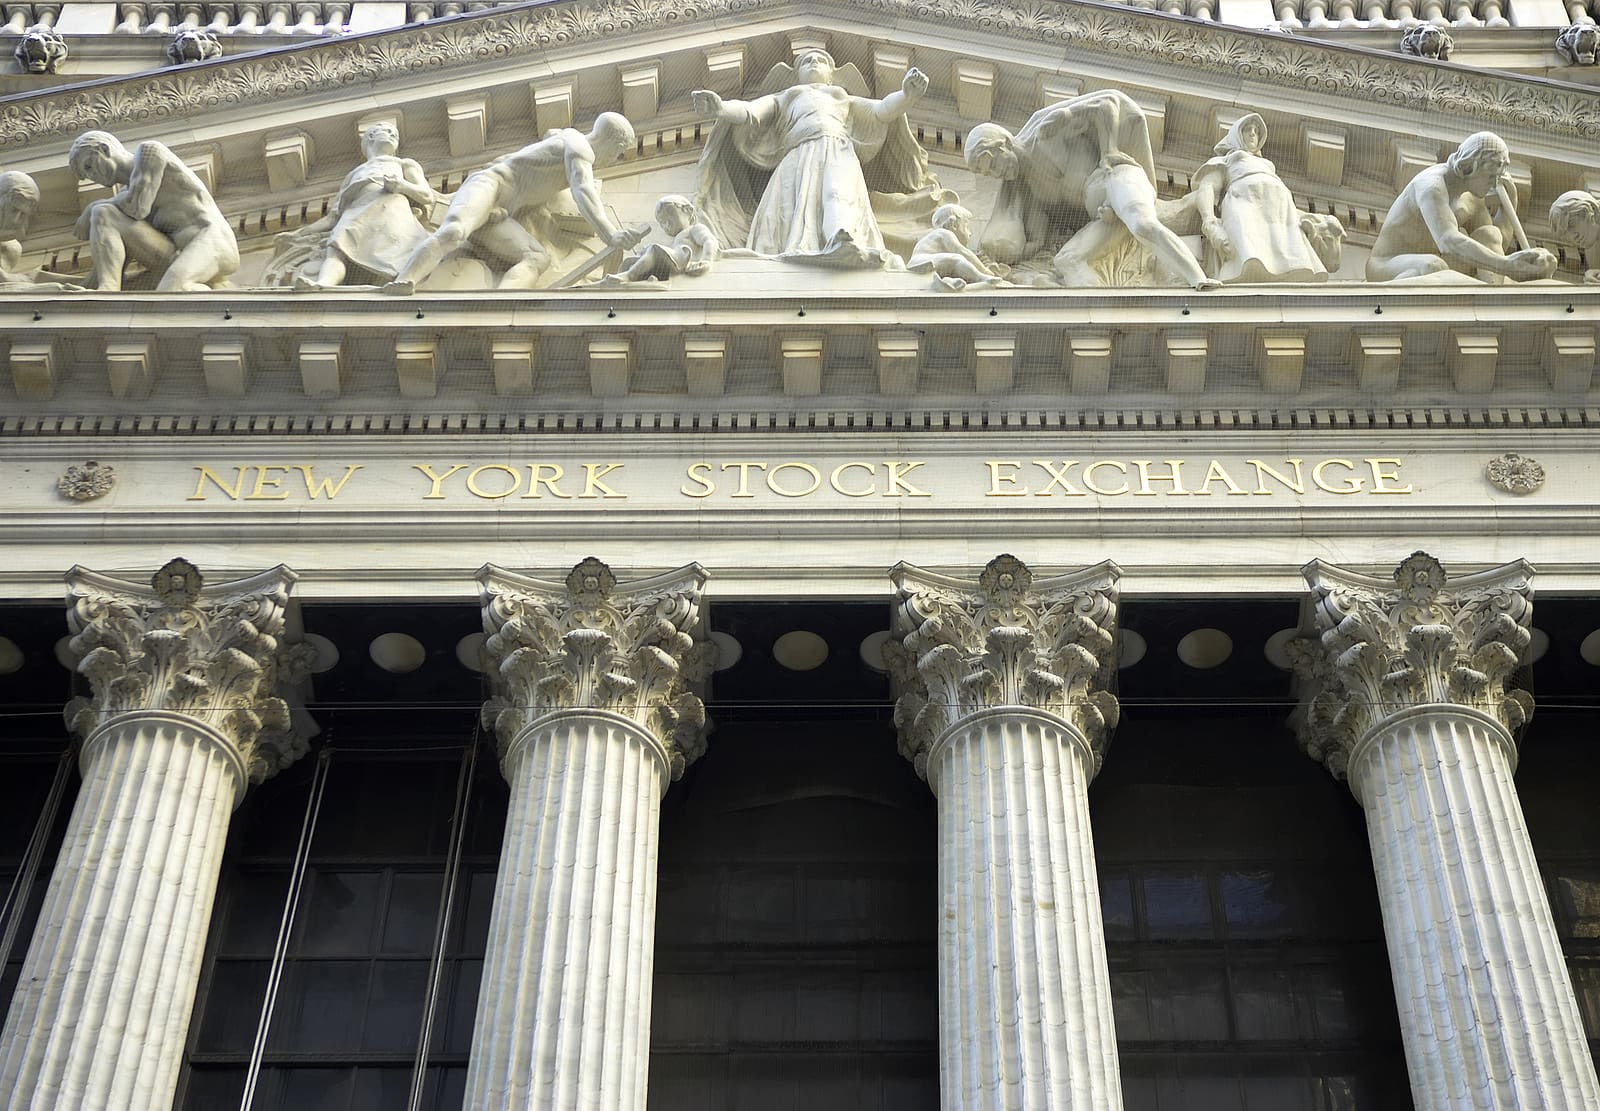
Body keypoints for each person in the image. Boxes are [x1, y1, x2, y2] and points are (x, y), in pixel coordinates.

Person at [691, 49, 934, 267]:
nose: (814, 62)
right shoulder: (787, 96)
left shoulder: (840, 96)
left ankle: (840, 236)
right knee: (789, 206)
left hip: (837, 149)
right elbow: (751, 111)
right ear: (796, 74)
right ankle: (791, 246)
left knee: (837, 193)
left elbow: (880, 111)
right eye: (807, 61)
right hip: (798, 154)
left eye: (821, 60)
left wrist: (906, 95)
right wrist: (721, 107)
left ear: (831, 75)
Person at [963, 90, 1216, 290]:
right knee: (1067, 260)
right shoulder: (1031, 189)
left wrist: (1109, 150)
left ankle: (1199, 280)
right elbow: (1036, 238)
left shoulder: (1045, 134)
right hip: (1103, 214)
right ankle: (1101, 322)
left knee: (1143, 225)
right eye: (989, 174)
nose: (996, 174)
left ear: (1004, 144)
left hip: (1114, 178)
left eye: (992, 164)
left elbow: (1106, 103)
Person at [388, 112, 643, 291]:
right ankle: (403, 281)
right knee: (454, 231)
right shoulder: (579, 147)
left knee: (537, 258)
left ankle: (502, 307)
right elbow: (583, 190)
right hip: (488, 187)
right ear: (615, 143)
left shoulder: (565, 140)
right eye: (618, 153)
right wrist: (610, 234)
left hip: (500, 214)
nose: (613, 159)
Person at [1366, 131, 1556, 283]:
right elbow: (1448, 241)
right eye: (1491, 176)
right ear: (1469, 167)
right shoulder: (1432, 186)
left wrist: (1510, 203)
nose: (1494, 184)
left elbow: (1493, 246)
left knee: (1489, 233)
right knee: (1432, 267)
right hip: (1388, 264)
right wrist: (1508, 265)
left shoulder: (1473, 197)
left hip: (1439, 262)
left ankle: (1495, 300)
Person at [68, 130, 239, 291]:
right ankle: (109, 289)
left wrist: (90, 208)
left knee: (173, 290)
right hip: (176, 256)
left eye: (89, 166)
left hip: (212, 241)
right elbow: (112, 257)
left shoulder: (149, 153)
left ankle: (216, 297)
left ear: (104, 150)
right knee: (104, 214)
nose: (92, 176)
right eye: (87, 175)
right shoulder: (122, 199)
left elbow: (138, 207)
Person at [290, 123, 433, 289]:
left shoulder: (404, 164)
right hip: (355, 214)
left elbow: (426, 195)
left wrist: (401, 185)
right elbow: (332, 217)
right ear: (371, 136)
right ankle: (323, 284)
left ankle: (398, 283)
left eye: (395, 134)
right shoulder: (354, 174)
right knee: (336, 248)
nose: (393, 135)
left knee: (394, 252)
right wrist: (298, 234)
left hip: (390, 211)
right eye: (387, 131)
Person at [1190, 114, 1330, 283]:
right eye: (1247, 129)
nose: (1252, 134)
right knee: (1250, 254)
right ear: (1236, 135)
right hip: (1244, 203)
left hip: (1280, 212)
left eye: (1256, 131)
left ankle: (1290, 269)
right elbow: (1207, 187)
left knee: (1291, 259)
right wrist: (1209, 222)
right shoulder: (1227, 160)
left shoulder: (1267, 165)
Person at [601, 195, 719, 283]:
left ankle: (629, 276)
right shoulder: (676, 240)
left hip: (683, 260)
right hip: (675, 261)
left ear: (688, 210)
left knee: (654, 249)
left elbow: (709, 240)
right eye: (662, 223)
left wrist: (706, 260)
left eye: (670, 217)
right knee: (630, 261)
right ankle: (623, 279)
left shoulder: (695, 229)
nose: (667, 225)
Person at [906, 203, 1007, 290]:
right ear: (953, 224)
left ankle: (949, 281)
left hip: (927, 263)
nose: (970, 233)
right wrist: (985, 271)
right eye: (966, 226)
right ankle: (982, 278)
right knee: (957, 258)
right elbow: (963, 252)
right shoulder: (943, 233)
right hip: (921, 262)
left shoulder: (939, 240)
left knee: (952, 262)